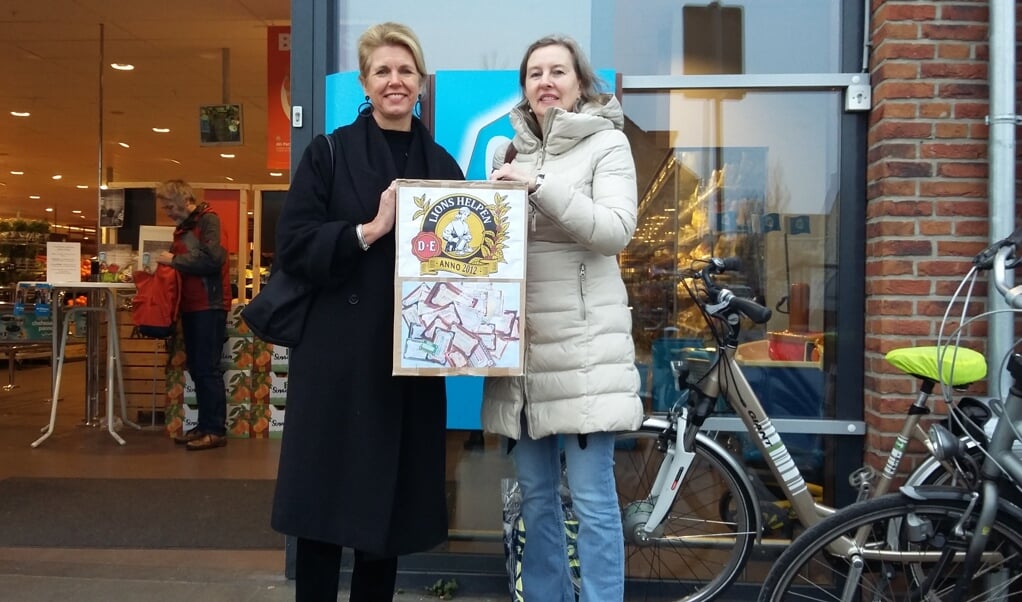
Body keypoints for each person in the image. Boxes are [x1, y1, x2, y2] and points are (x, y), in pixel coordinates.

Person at [269, 22, 464, 602]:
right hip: (337, 359)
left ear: (421, 84)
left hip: (408, 362)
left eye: (405, 71)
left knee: (387, 521)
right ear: (365, 82)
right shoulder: (327, 153)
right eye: (383, 71)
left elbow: (468, 267)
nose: (395, 81)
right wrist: (368, 230)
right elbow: (294, 244)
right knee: (323, 514)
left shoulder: (444, 165)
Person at [481, 35, 643, 602]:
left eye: (558, 71)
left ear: (580, 82)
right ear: (524, 86)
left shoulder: (608, 144)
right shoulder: (505, 152)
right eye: (534, 73)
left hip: (581, 350)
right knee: (536, 497)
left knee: (595, 500)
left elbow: (616, 231)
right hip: (521, 350)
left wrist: (540, 186)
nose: (545, 81)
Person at [155, 179, 232, 451]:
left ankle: (215, 430)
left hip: (209, 305)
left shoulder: (209, 220)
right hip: (192, 305)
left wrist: (173, 261)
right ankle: (204, 425)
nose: (166, 210)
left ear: (184, 200)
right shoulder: (187, 226)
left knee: (206, 369)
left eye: (169, 205)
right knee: (199, 369)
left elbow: (213, 259)